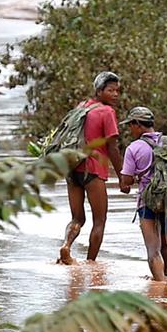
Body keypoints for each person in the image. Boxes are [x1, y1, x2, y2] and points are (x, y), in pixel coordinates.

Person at [58, 71, 124, 265]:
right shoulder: (107, 112)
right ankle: (90, 264)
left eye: (117, 91)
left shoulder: (81, 107)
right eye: (110, 90)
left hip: (73, 169)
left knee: (77, 218)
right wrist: (122, 176)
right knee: (99, 221)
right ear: (99, 90)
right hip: (93, 170)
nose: (115, 94)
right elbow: (112, 148)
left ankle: (66, 246)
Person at [118, 106, 167, 281]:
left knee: (153, 251)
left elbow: (126, 180)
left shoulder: (134, 148)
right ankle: (166, 282)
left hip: (147, 203)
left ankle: (161, 288)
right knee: (166, 247)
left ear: (139, 125)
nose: (130, 129)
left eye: (131, 125)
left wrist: (132, 180)